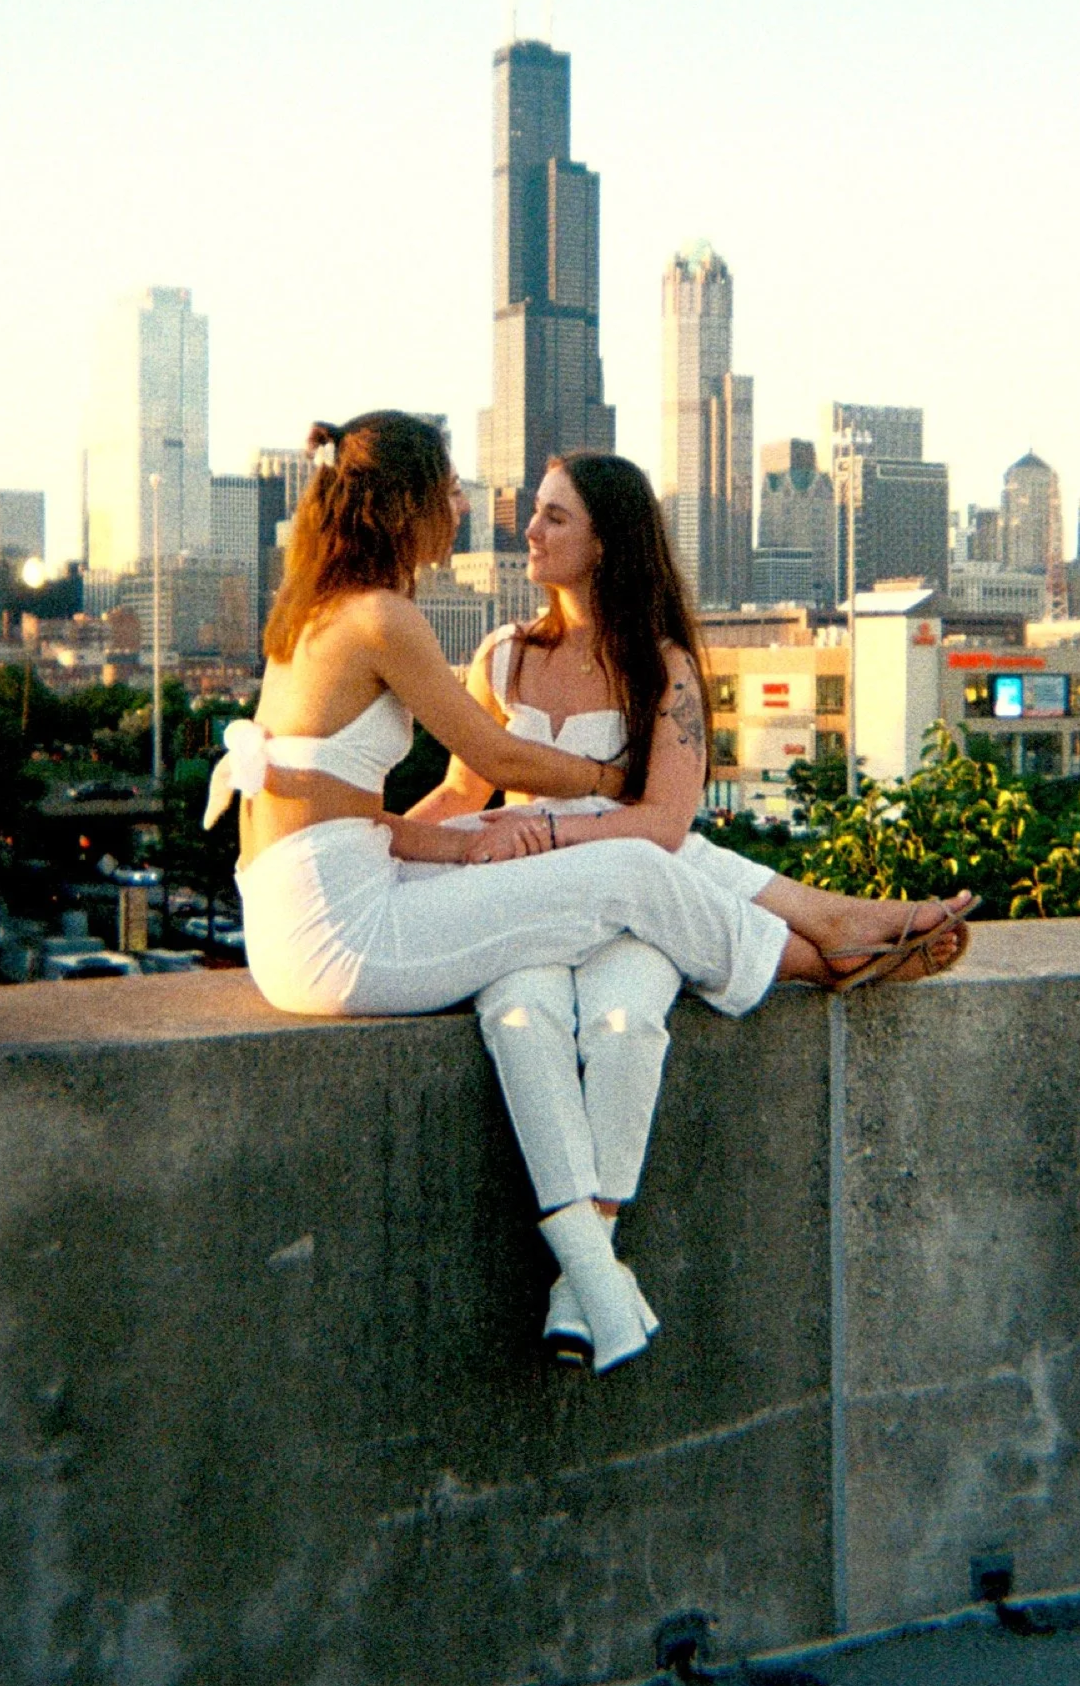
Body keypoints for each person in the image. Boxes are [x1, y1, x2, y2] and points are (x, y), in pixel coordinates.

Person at [403, 452, 975, 1367]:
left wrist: (545, 829)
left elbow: (663, 825)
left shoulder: (663, 669)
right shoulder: (501, 655)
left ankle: (577, 1278)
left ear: (604, 542)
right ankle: (829, 937)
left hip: (638, 908)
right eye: (535, 514)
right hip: (530, 905)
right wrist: (369, 836)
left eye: (554, 518)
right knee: (524, 1022)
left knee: (627, 1024)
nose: (530, 532)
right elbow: (464, 790)